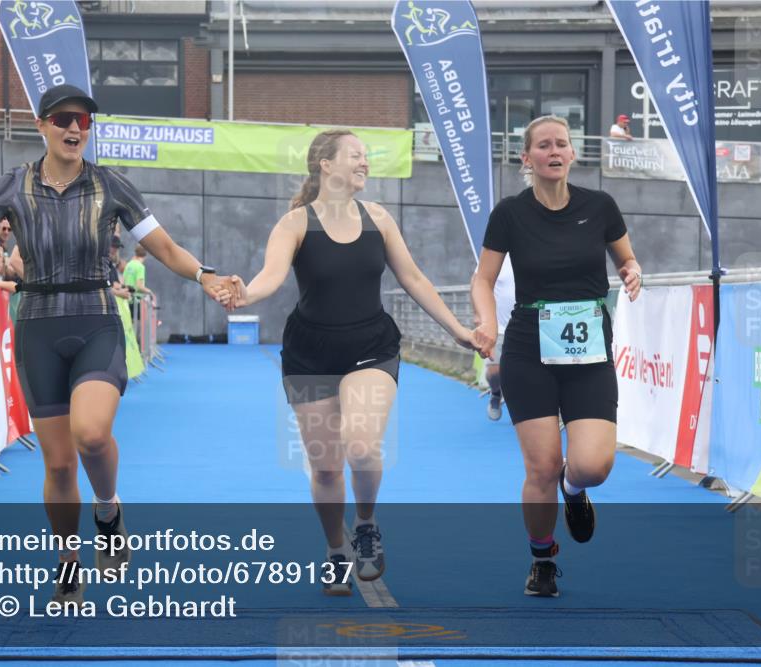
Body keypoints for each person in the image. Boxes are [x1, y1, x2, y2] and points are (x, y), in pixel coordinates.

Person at [0, 83, 234, 606]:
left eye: (82, 120)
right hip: (38, 327)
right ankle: (68, 560)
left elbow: (163, 246)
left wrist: (205, 276)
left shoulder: (111, 186)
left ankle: (108, 509)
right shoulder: (13, 184)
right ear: (42, 126)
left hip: (96, 320)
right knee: (57, 465)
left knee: (92, 435)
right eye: (62, 120)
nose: (74, 128)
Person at [228, 129, 479, 595]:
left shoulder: (378, 218)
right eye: (356, 156)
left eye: (367, 157)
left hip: (372, 346)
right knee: (325, 467)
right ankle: (334, 549)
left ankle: (365, 525)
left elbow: (415, 279)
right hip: (309, 352)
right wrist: (245, 293)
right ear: (326, 164)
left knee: (362, 447)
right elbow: (271, 277)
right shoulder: (295, 223)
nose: (365, 163)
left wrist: (459, 330)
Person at [470, 115, 642, 598]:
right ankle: (542, 558)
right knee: (541, 467)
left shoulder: (600, 206)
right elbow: (483, 278)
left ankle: (575, 491)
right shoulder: (509, 213)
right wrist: (487, 322)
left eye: (561, 144)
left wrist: (632, 273)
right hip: (529, 350)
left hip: (588, 352)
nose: (554, 151)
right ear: (527, 158)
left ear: (572, 154)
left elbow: (626, 258)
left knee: (592, 466)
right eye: (543, 145)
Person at [480, 256, 515, 421]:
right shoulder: (496, 255)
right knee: (494, 372)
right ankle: (495, 393)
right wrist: (478, 315)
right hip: (498, 327)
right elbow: (478, 282)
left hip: (528, 325)